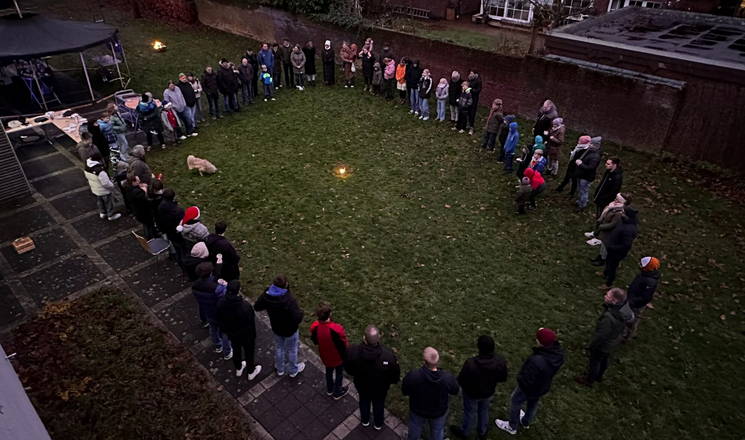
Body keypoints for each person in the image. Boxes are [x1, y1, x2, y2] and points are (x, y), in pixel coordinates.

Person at [495, 328, 564, 435]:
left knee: (515, 401)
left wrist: (520, 381)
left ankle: (512, 426)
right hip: (542, 386)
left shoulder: (537, 361)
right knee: (533, 403)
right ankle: (526, 421)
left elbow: (527, 379)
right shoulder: (557, 355)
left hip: (529, 388)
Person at [450, 336, 507, 440]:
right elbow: (503, 378)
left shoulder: (471, 364)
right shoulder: (500, 362)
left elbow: (461, 380)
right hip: (488, 392)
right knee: (484, 410)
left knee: (469, 412)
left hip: (472, 394)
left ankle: (464, 432)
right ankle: (482, 432)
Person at [575, 288, 634, 387]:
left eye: (608, 295)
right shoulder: (625, 310)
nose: (605, 296)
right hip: (613, 341)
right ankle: (599, 376)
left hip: (604, 344)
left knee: (595, 361)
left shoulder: (609, 317)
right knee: (604, 359)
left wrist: (592, 346)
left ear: (614, 301)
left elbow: (601, 335)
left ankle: (589, 380)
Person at [345, 325, 401, 430]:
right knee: (379, 404)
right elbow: (395, 375)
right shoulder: (388, 356)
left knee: (363, 401)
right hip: (380, 388)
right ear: (378, 337)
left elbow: (348, 368)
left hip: (361, 385)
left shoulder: (353, 351)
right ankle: (378, 424)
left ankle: (365, 420)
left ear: (364, 338)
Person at [402, 347, 459, 440]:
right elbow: (455, 391)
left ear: (424, 361)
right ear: (438, 361)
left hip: (417, 410)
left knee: (415, 427)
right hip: (438, 412)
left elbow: (405, 391)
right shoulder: (446, 378)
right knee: (437, 430)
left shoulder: (413, 375)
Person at [254, 274, 305, 377]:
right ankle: (293, 370)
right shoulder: (288, 300)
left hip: (276, 327)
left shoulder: (267, 296)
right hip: (290, 330)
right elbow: (297, 318)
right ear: (285, 286)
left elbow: (257, 307)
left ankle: (280, 369)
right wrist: (301, 314)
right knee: (292, 349)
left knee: (279, 347)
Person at [216, 280, 262, 381]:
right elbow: (250, 324)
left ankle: (239, 368)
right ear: (238, 290)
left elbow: (220, 321)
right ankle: (251, 371)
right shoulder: (245, 306)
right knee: (249, 353)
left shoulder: (221, 303)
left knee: (236, 350)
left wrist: (228, 331)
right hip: (246, 336)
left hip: (232, 334)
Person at [192, 261, 233, 360]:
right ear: (210, 272)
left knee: (213, 328)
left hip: (208, 312)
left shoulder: (195, 286)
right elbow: (225, 298)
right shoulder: (216, 288)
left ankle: (218, 346)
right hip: (220, 314)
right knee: (225, 332)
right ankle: (227, 352)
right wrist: (224, 286)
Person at [310, 302, 349, 399]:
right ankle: (338, 391)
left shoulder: (315, 326)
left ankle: (330, 388)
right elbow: (343, 343)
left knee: (329, 370)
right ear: (330, 314)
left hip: (325, 355)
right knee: (339, 372)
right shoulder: (336, 329)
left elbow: (314, 339)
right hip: (337, 356)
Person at [599, 206, 638, 289]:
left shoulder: (629, 229)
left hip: (617, 252)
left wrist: (613, 247)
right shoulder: (624, 221)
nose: (621, 213)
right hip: (612, 248)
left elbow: (626, 245)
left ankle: (609, 283)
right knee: (608, 261)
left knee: (613, 266)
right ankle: (606, 273)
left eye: (623, 213)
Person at [623, 256, 660, 341]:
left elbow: (645, 298)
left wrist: (632, 301)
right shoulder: (646, 275)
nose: (639, 265)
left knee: (633, 320)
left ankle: (627, 336)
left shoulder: (649, 282)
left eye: (641, 264)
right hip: (633, 299)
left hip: (636, 304)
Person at [588, 193, 631, 266]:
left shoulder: (619, 212)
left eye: (617, 199)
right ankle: (600, 256)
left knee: (605, 246)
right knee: (602, 245)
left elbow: (613, 224)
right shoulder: (613, 205)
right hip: (605, 229)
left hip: (609, 232)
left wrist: (602, 226)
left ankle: (603, 260)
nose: (615, 200)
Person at [156, 188, 187, 271]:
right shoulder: (178, 211)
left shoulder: (160, 207)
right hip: (179, 235)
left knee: (177, 251)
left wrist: (163, 230)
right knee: (184, 252)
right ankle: (186, 269)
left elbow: (158, 221)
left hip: (169, 233)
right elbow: (184, 223)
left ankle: (181, 266)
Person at [84, 153, 121, 221]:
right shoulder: (100, 171)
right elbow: (106, 183)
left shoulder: (87, 166)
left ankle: (103, 212)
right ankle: (111, 215)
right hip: (104, 190)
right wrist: (112, 186)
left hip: (95, 189)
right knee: (109, 202)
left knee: (100, 201)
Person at [574, 136, 602, 212]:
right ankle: (580, 201)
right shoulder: (590, 150)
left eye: (591, 143)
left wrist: (580, 164)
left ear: (596, 145)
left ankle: (582, 205)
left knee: (584, 191)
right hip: (581, 174)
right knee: (580, 190)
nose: (589, 144)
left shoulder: (595, 156)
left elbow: (591, 168)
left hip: (586, 177)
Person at [124, 175, 156, 239]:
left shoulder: (129, 189)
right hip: (144, 213)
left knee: (145, 225)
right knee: (148, 226)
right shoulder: (137, 193)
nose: (139, 181)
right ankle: (150, 238)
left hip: (137, 212)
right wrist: (144, 191)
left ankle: (150, 235)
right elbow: (145, 200)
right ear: (133, 182)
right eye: (138, 180)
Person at [466, 70, 482, 136]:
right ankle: (467, 124)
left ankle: (471, 127)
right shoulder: (469, 79)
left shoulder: (478, 81)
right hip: (468, 98)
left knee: (472, 113)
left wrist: (471, 90)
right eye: (470, 73)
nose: (470, 74)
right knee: (467, 112)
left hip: (474, 99)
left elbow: (478, 90)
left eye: (471, 73)